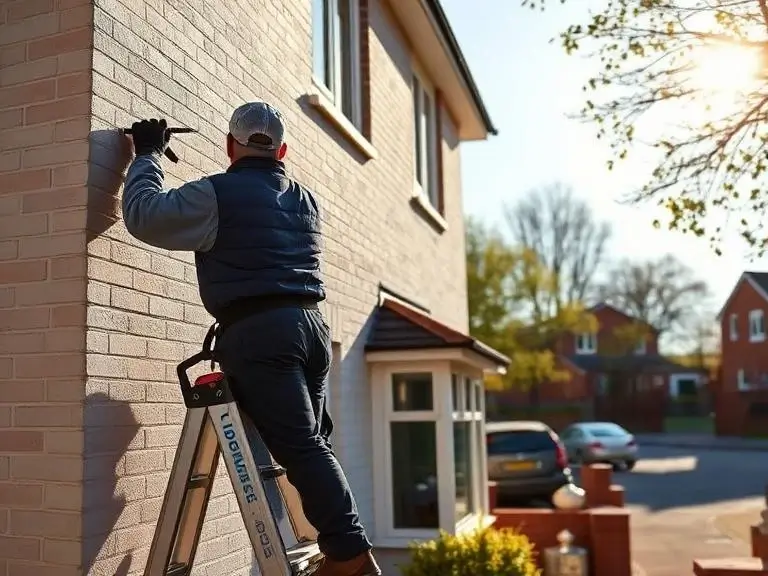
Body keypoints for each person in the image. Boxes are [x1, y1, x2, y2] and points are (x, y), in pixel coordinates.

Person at [122, 103, 380, 576]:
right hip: (310, 329)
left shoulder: (218, 194)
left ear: (229, 146)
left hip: (260, 335)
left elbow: (143, 216)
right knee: (313, 443)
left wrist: (148, 154)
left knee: (301, 446)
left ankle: (348, 554)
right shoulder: (305, 199)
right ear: (282, 150)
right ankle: (342, 545)